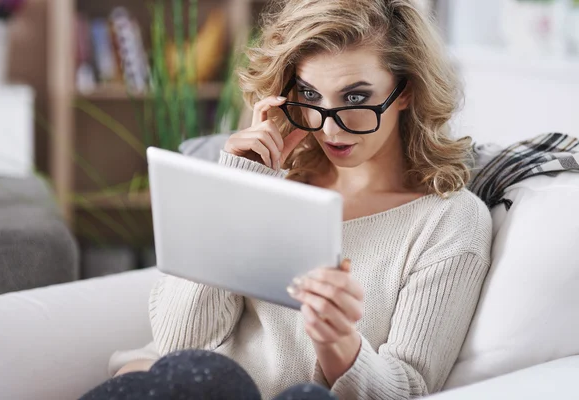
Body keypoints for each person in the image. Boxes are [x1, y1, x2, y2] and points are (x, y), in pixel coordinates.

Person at [83, 0, 492, 399]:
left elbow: (409, 388)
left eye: (354, 98)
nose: (327, 127)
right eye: (310, 96)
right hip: (195, 382)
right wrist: (236, 190)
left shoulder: (448, 220)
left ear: (406, 91)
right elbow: (180, 342)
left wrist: (339, 344)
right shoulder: (273, 183)